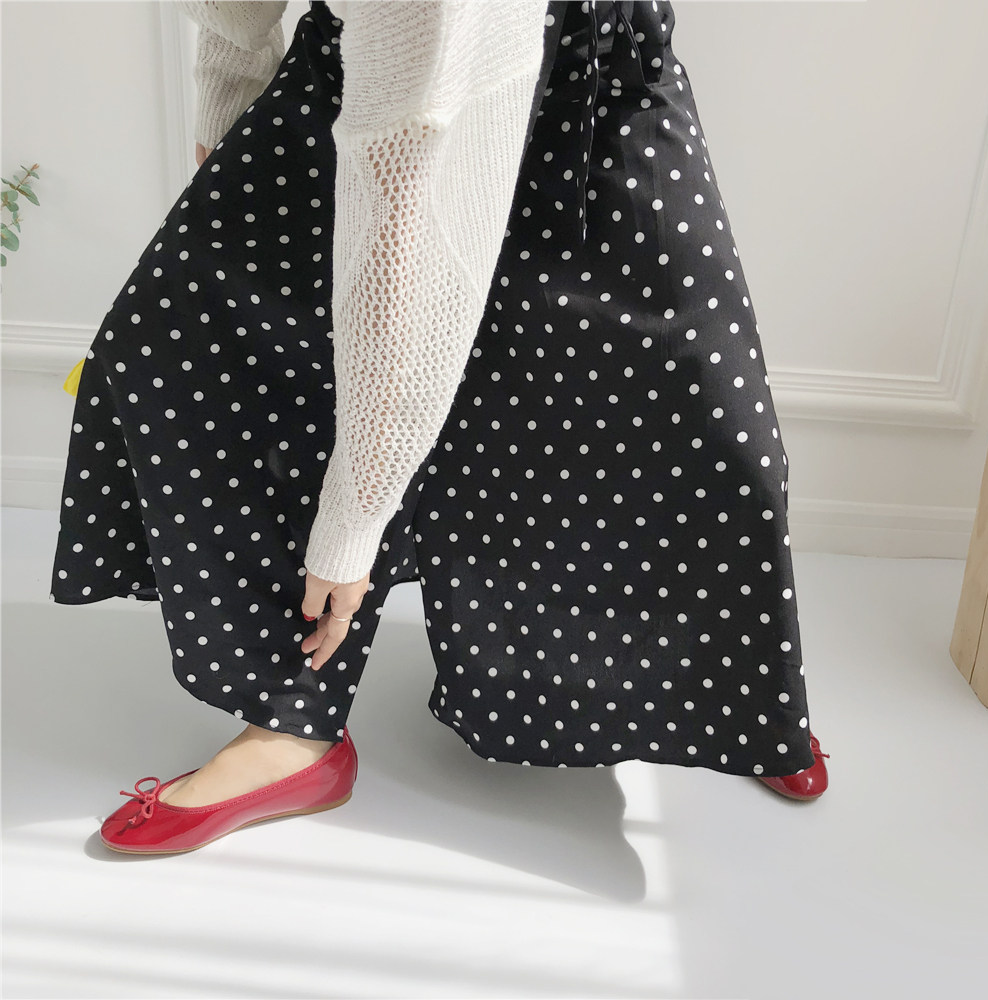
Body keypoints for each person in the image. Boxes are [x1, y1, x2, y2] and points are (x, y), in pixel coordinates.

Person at [49, 0, 830, 856]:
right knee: (180, 340)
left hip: (593, 90)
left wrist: (354, 521)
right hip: (368, 80)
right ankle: (291, 721)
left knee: (694, 412)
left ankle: (734, 702)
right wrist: (231, 88)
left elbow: (410, 274)